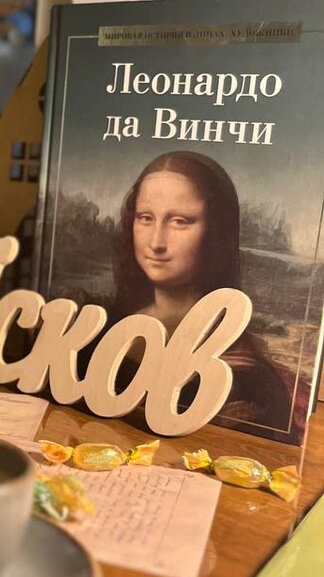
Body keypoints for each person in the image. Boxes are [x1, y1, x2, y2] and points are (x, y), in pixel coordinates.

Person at [110, 151, 298, 434]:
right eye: (146, 218)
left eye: (180, 221)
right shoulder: (116, 323)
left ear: (216, 231)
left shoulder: (247, 380)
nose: (156, 242)